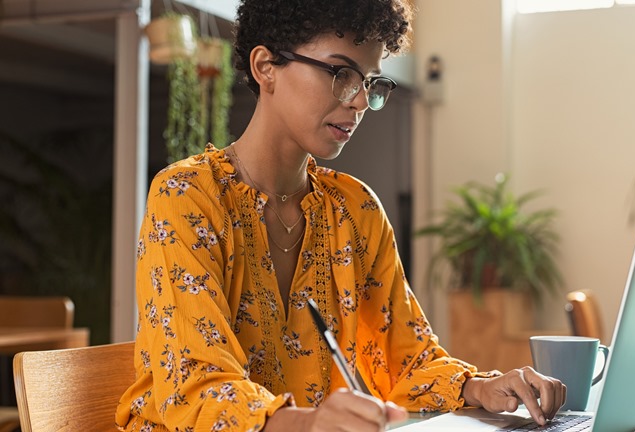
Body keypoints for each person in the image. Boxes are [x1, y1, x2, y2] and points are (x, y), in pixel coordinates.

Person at [116, 0, 566, 430]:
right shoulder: (188, 196)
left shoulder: (356, 209)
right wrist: (309, 423)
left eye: (370, 82)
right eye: (342, 74)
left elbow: (407, 357)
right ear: (265, 67)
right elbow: (195, 381)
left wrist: (480, 387)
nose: (358, 102)